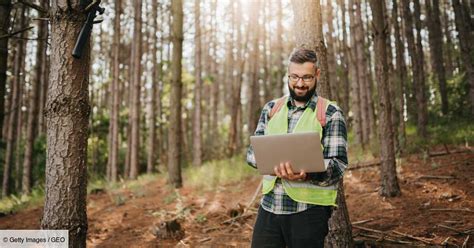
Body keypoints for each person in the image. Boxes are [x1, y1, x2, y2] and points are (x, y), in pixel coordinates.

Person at [246, 48, 348, 248]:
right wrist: (267, 161)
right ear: (288, 74)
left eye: (307, 77)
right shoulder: (271, 108)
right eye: (294, 77)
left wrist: (307, 174)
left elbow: (338, 165)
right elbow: (251, 154)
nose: (300, 83)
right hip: (269, 208)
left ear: (317, 74)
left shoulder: (330, 113)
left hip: (308, 213)